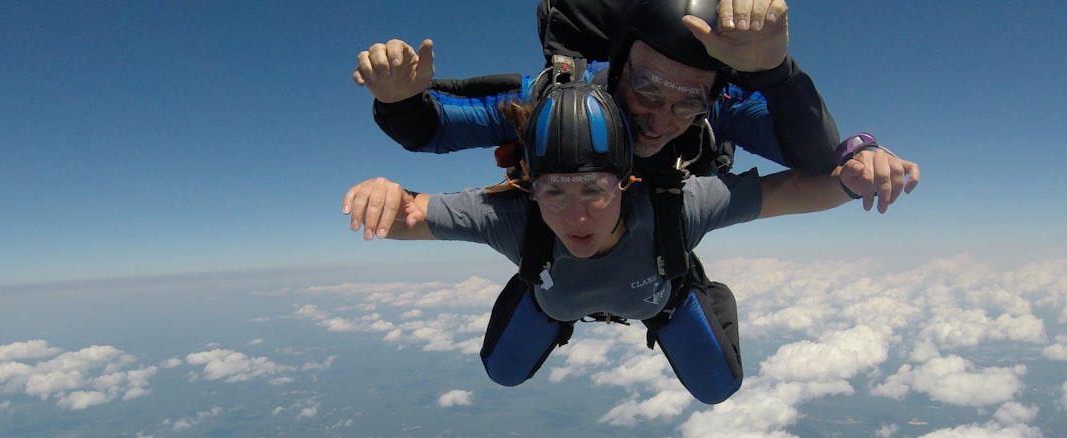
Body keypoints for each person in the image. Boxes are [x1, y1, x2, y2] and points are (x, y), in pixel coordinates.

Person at [341, 83, 919, 403]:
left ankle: (688, 287)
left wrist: (855, 171)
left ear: (627, 180)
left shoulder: (677, 206)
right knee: (503, 374)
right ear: (528, 186)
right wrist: (384, 194)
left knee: (719, 388)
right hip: (562, 295)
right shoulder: (515, 218)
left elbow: (792, 189)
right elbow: (406, 213)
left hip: (658, 296)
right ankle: (545, 294)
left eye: (594, 188)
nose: (575, 212)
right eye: (553, 191)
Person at [353, 0, 916, 209]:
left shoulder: (715, 106)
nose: (660, 117)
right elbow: (437, 129)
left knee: (718, 379)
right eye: (646, 91)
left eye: (686, 102)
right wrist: (401, 100)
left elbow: (814, 157)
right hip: (558, 249)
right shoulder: (562, 100)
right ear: (616, 70)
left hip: (662, 251)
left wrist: (776, 71)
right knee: (508, 363)